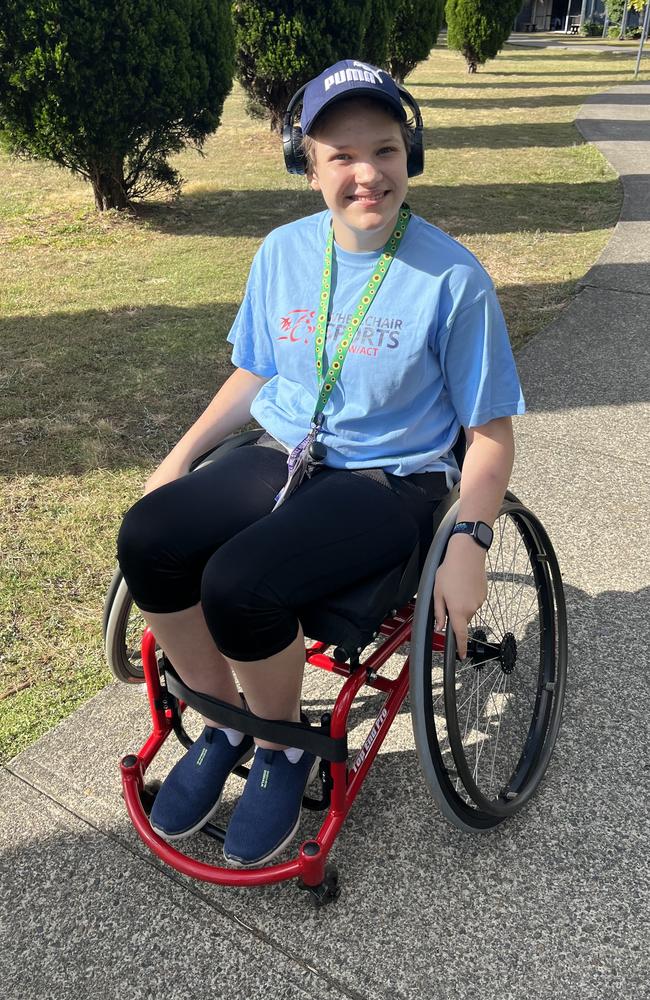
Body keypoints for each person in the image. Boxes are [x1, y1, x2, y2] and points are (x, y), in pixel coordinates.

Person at [116, 59, 525, 868]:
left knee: (240, 584)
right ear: (307, 164)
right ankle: (227, 722)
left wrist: (471, 541)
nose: (368, 173)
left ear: (412, 157)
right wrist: (180, 456)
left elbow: (490, 436)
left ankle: (281, 747)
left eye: (387, 150)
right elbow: (258, 373)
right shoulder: (281, 253)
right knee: (149, 537)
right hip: (285, 451)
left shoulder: (453, 279)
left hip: (389, 479)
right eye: (341, 155)